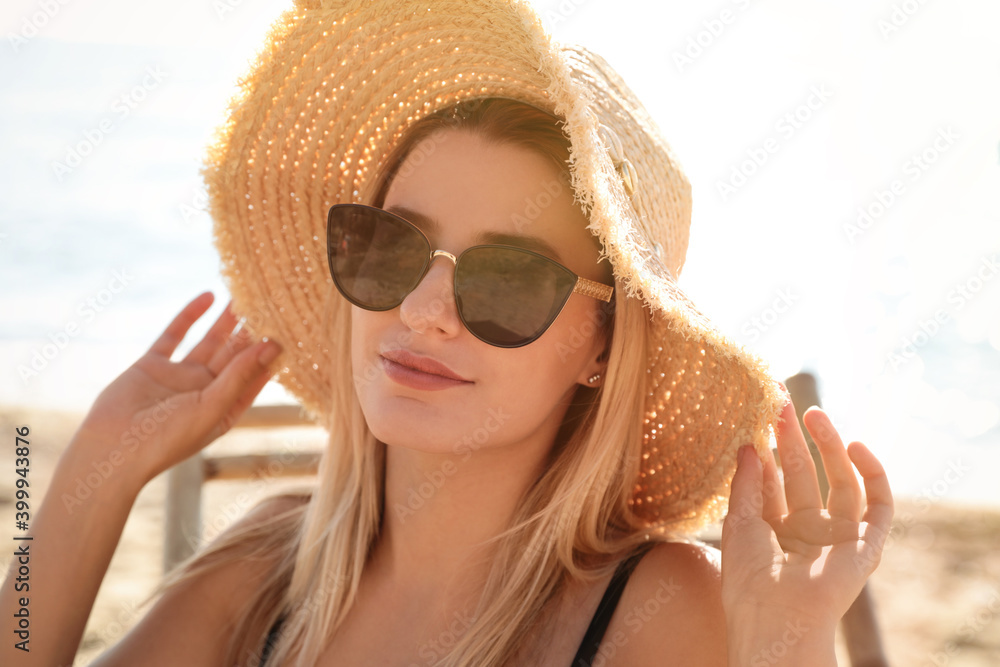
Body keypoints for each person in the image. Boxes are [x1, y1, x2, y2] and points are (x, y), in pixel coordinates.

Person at [0, 1, 894, 665]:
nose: (423, 311)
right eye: (391, 247)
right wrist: (96, 472)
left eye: (505, 278)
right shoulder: (269, 574)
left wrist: (790, 642)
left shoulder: (651, 608)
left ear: (599, 345)